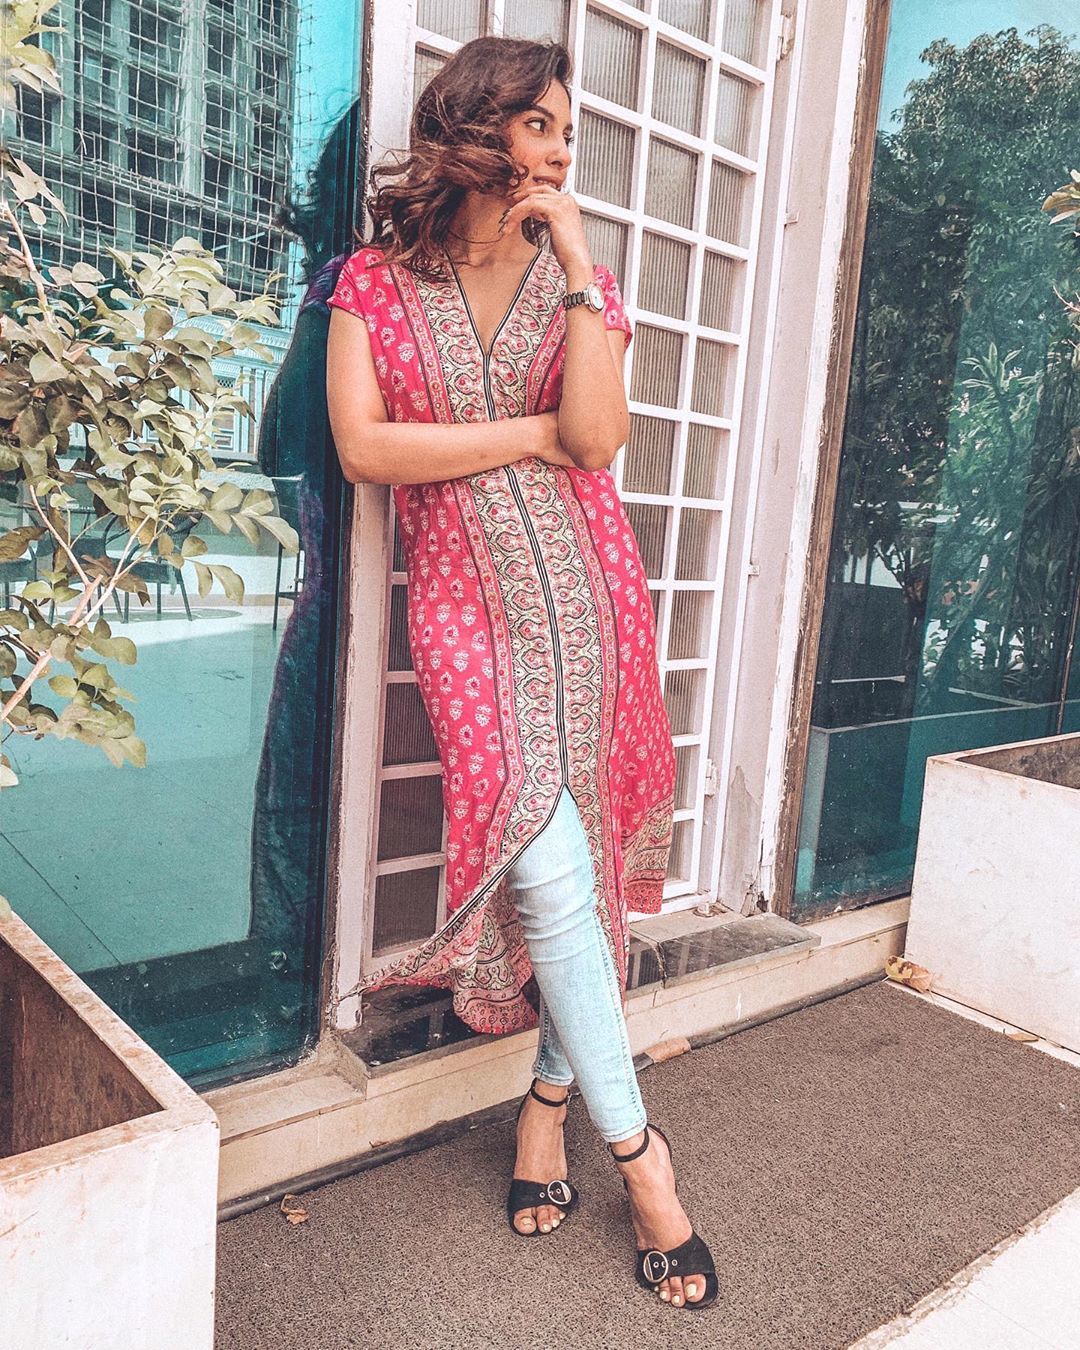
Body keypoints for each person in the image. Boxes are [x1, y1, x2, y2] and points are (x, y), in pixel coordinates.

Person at [325, 36, 718, 1311]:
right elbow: (365, 450)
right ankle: (645, 1163)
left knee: (579, 874)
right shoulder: (373, 282)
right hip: (461, 616)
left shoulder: (573, 284)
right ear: (475, 126)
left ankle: (547, 1106)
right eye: (539, 125)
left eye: (565, 131)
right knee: (546, 872)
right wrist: (530, 431)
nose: (558, 151)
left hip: (589, 603)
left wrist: (585, 272)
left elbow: (595, 441)